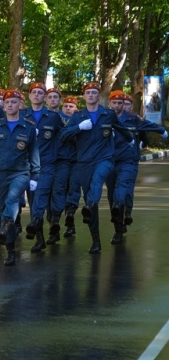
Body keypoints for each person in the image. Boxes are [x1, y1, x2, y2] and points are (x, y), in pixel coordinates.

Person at [59, 81, 132, 253]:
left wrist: (132, 140)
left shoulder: (108, 114)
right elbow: (63, 136)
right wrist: (78, 128)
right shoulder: (77, 117)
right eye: (88, 93)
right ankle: (96, 240)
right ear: (84, 97)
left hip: (104, 159)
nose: (91, 95)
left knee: (98, 180)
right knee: (90, 203)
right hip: (84, 162)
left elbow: (123, 130)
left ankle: (90, 203)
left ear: (99, 96)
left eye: (94, 92)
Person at [0, 89, 39, 266]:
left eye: (14, 102)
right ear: (3, 106)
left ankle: (4, 225)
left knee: (12, 200)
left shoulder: (28, 127)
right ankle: (10, 249)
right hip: (0, 174)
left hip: (20, 173)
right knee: (4, 207)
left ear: (20, 105)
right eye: (7, 102)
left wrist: (35, 176)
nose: (10, 105)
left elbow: (34, 154)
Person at [106, 88, 167, 241]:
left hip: (128, 160)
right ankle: (119, 222)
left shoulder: (133, 119)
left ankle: (122, 223)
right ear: (110, 103)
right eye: (115, 102)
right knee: (111, 194)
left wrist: (162, 131)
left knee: (123, 190)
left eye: (121, 103)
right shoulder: (104, 118)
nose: (118, 106)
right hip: (110, 160)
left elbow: (146, 125)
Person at [24, 82, 63, 252]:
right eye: (34, 92)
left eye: (41, 93)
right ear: (29, 95)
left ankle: (41, 225)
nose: (37, 95)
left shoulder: (53, 117)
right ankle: (39, 238)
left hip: (47, 164)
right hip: (27, 165)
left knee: (41, 195)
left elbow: (64, 135)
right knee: (34, 200)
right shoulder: (22, 114)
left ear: (45, 97)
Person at [48, 95, 80, 242]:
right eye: (66, 106)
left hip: (77, 160)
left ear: (76, 108)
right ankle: (55, 221)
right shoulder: (57, 118)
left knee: (72, 189)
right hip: (60, 159)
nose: (68, 108)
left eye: (71, 106)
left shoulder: (80, 119)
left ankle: (70, 219)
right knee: (59, 189)